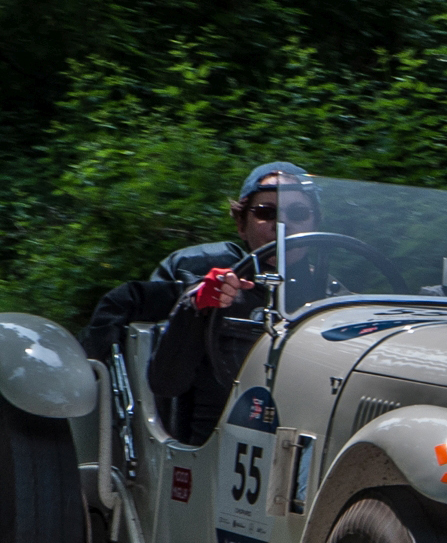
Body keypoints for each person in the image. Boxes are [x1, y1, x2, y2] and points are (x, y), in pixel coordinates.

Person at [82, 162, 320, 444]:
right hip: (204, 444)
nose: (282, 225)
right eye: (266, 213)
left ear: (315, 224)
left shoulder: (334, 298)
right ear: (241, 224)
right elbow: (163, 378)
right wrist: (197, 302)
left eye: (298, 213)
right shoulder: (198, 271)